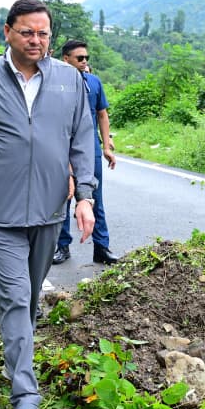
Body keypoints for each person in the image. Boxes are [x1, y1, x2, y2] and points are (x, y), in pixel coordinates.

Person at [0, 0, 97, 409]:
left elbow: (82, 139)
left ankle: (19, 352)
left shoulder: (69, 81)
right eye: (27, 32)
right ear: (7, 32)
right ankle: (26, 400)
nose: (36, 41)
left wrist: (85, 197)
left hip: (51, 210)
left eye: (43, 34)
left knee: (30, 299)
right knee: (15, 298)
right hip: (0, 212)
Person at [53, 39, 120, 266]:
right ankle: (62, 246)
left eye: (86, 59)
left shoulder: (93, 82)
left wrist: (106, 146)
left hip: (90, 150)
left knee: (95, 199)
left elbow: (102, 114)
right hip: (61, 148)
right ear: (66, 59)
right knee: (63, 198)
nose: (84, 62)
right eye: (79, 58)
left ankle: (101, 247)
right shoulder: (54, 84)